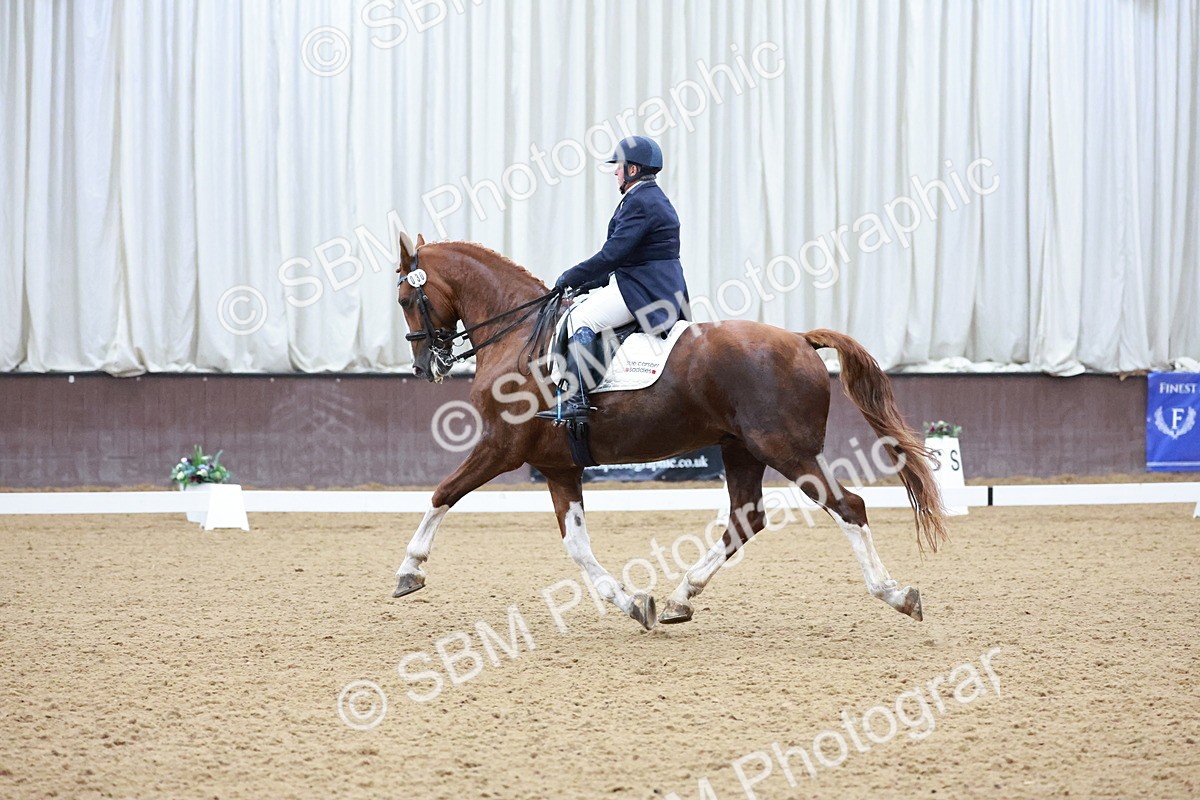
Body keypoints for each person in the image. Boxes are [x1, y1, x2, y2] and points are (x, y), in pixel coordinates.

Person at [536, 135, 689, 423]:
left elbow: (612, 255)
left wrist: (569, 276)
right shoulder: (648, 198)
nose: (615, 172)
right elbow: (625, 257)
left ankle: (576, 401)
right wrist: (586, 284)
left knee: (578, 319)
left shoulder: (640, 202)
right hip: (651, 282)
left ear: (633, 170)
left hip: (645, 289)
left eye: (618, 167)